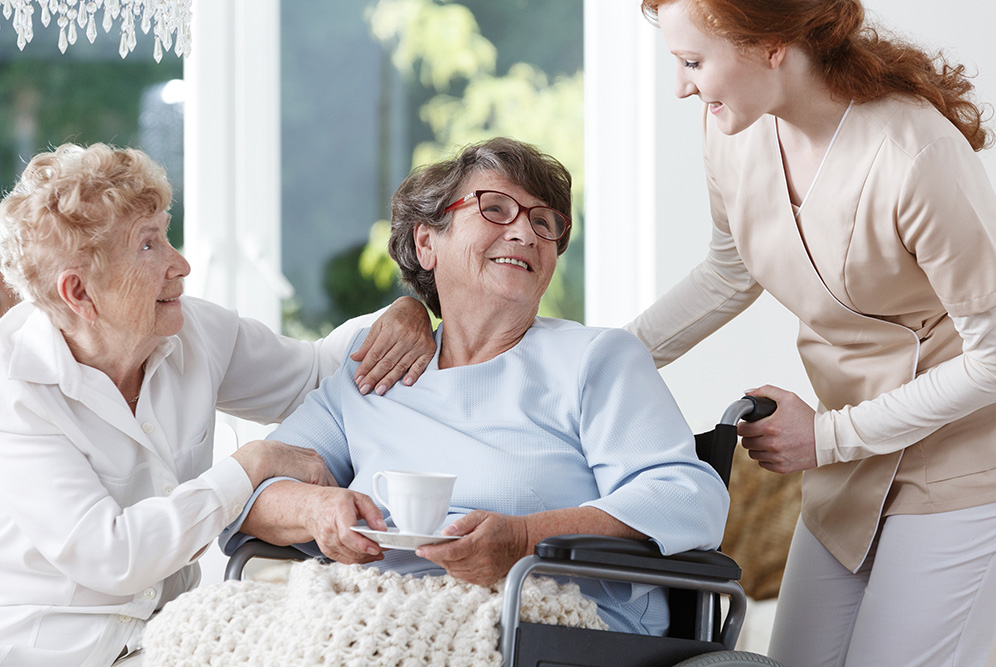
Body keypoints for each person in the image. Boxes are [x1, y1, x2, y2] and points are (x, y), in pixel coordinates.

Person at [220, 137, 730, 635]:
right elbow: (245, 496)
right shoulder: (373, 375)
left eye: (543, 222)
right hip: (377, 612)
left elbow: (688, 496)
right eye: (496, 209)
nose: (526, 234)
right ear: (426, 243)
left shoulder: (594, 360)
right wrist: (315, 510)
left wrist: (525, 538)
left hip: (550, 619)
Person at [630, 1, 996, 665]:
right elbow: (729, 272)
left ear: (772, 46)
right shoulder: (731, 129)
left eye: (693, 63)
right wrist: (599, 361)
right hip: (846, 463)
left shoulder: (914, 155)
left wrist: (826, 436)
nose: (681, 87)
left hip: (962, 464)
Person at [0, 143, 436, 667]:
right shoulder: (15, 388)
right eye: (148, 246)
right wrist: (250, 467)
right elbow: (113, 556)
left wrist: (406, 310)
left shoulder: (194, 332)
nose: (178, 264)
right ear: (79, 292)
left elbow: (318, 372)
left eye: (165, 234)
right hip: (57, 651)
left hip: (171, 636)